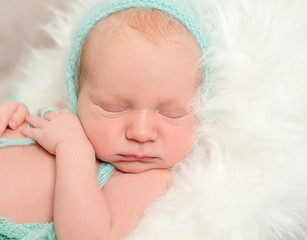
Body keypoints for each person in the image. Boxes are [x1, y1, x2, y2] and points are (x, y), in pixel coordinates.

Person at [0, 0, 209, 239]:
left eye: (172, 112)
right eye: (113, 108)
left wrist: (74, 150)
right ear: (76, 93)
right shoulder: (65, 118)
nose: (140, 132)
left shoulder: (143, 177)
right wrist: (12, 112)